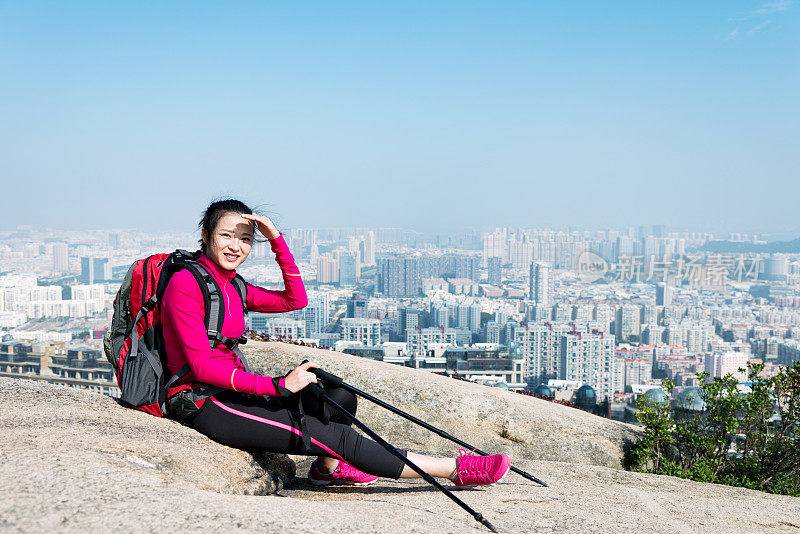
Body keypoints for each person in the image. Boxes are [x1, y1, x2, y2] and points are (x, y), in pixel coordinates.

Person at [161, 198, 510, 487]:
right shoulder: (186, 283)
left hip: (237, 391)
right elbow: (201, 366)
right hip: (203, 400)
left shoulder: (231, 284)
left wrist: (278, 241)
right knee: (335, 436)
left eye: (247, 240)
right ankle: (456, 470)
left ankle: (326, 470)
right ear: (206, 235)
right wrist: (277, 385)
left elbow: (294, 300)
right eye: (226, 236)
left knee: (337, 396)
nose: (236, 246)